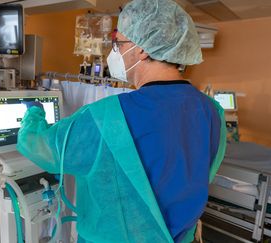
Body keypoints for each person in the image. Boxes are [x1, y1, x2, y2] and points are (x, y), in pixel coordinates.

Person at [17, 0, 226, 242]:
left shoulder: (107, 116)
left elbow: (44, 148)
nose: (114, 52)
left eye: (119, 43)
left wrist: (33, 113)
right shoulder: (212, 111)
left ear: (143, 50)